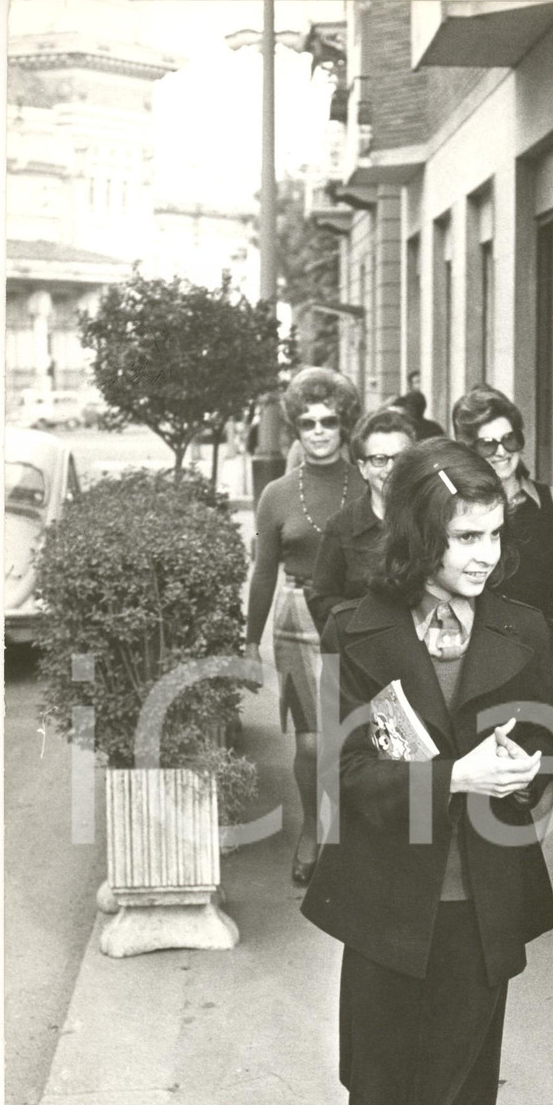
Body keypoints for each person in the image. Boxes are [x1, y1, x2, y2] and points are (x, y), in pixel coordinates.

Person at [301, 437, 553, 1105]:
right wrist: (444, 777)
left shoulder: (525, 625)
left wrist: (529, 766)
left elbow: (549, 748)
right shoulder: (356, 630)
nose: (487, 553)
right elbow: (341, 772)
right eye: (465, 536)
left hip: (477, 911)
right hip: (379, 910)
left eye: (495, 534)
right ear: (420, 534)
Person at [245, 367, 362, 885]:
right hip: (295, 620)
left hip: (356, 615)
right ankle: (315, 830)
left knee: (360, 735)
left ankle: (358, 836)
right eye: (308, 422)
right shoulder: (275, 494)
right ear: (295, 427)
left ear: (345, 425)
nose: (318, 430)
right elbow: (263, 571)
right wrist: (250, 643)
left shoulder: (367, 483)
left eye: (329, 420)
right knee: (313, 744)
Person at [452, 384, 553, 667]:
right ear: (470, 450)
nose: (501, 452)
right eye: (488, 444)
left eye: (509, 439)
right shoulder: (455, 508)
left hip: (542, 651)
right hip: (479, 653)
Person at [305, 404, 416, 639]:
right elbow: (322, 600)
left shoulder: (433, 520)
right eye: (379, 459)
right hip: (363, 656)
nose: (391, 468)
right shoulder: (340, 527)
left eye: (401, 458)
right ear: (363, 468)